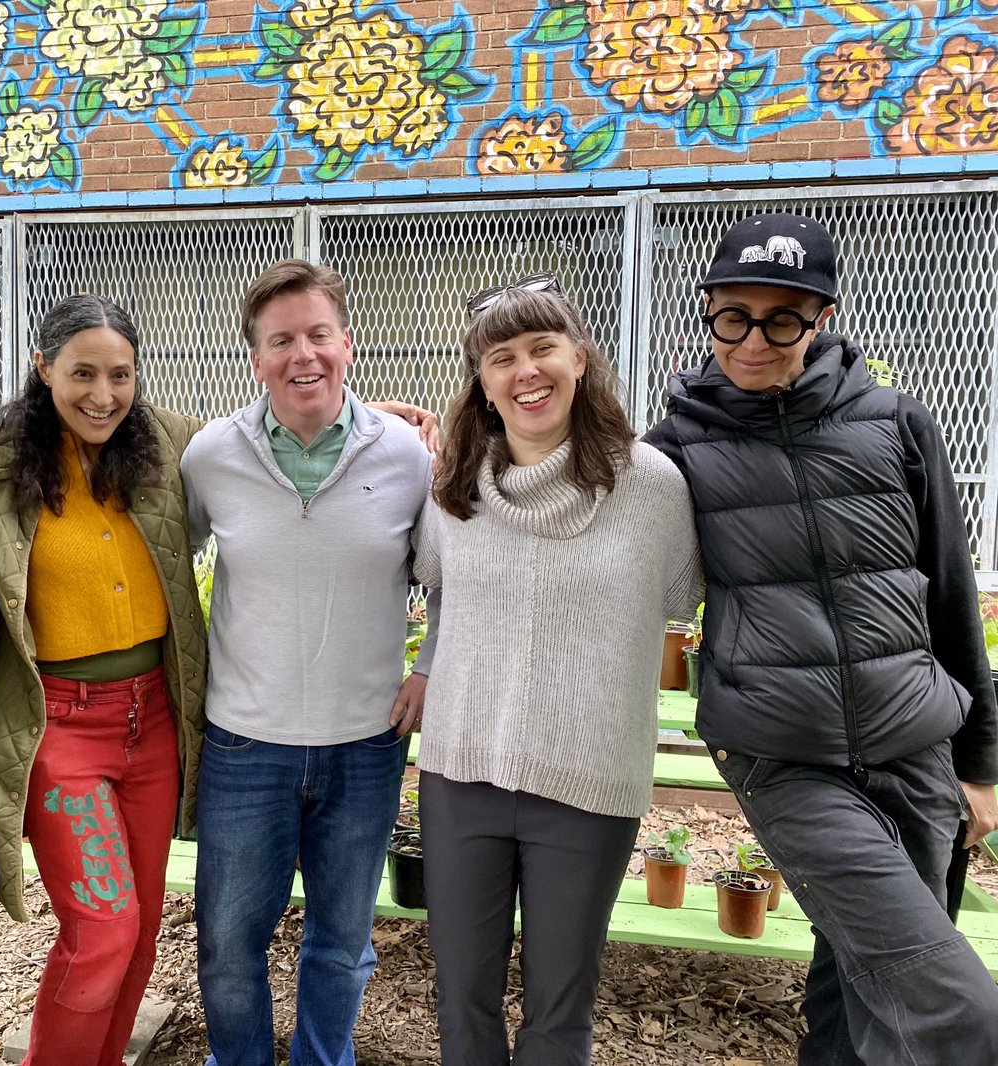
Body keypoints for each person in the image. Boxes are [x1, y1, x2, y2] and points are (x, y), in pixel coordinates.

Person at [643, 212, 998, 1065]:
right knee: (952, 1010)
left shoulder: (897, 425)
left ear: (822, 319)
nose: (753, 340)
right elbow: (570, 496)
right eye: (734, 316)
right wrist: (439, 442)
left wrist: (981, 765)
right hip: (782, 752)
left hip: (915, 743)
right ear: (708, 312)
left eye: (782, 319)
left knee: (866, 978)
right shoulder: (677, 449)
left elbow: (950, 595)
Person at [412, 275, 703, 1065]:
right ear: (480, 380)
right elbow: (437, 598)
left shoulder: (653, 486)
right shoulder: (450, 487)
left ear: (580, 357)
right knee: (461, 999)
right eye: (501, 357)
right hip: (461, 776)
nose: (525, 372)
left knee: (560, 1008)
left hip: (588, 783)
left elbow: (683, 601)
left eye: (542, 348)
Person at [180, 259, 434, 1066]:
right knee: (226, 944)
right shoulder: (210, 456)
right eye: (280, 340)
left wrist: (433, 665)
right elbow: (158, 557)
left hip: (366, 744)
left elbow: (452, 575)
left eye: (318, 334)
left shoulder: (407, 454)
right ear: (254, 357)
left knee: (342, 942)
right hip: (243, 747)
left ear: (348, 344)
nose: (304, 355)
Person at [0, 294, 208, 1066]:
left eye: (121, 375)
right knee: (101, 930)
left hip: (154, 723)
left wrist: (370, 418)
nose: (103, 394)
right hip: (62, 728)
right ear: (43, 368)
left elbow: (269, 440)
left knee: (136, 938)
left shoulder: (166, 443)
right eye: (82, 374)